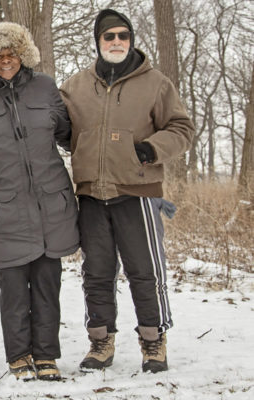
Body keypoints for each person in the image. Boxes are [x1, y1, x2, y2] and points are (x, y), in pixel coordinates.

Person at [59, 9, 194, 373]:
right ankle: (100, 342)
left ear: (131, 39)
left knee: (145, 271)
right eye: (109, 36)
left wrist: (151, 149)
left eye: (123, 35)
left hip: (138, 192)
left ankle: (153, 342)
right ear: (98, 42)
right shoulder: (74, 86)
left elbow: (181, 127)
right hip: (90, 194)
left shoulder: (156, 83)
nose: (116, 41)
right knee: (96, 273)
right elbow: (57, 127)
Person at [0, 22, 80, 382]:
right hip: (3, 209)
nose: (6, 61)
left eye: (12, 54)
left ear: (23, 55)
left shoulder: (45, 88)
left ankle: (46, 356)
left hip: (50, 205)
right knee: (13, 290)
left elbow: (70, 135)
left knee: (47, 286)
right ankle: (19, 355)